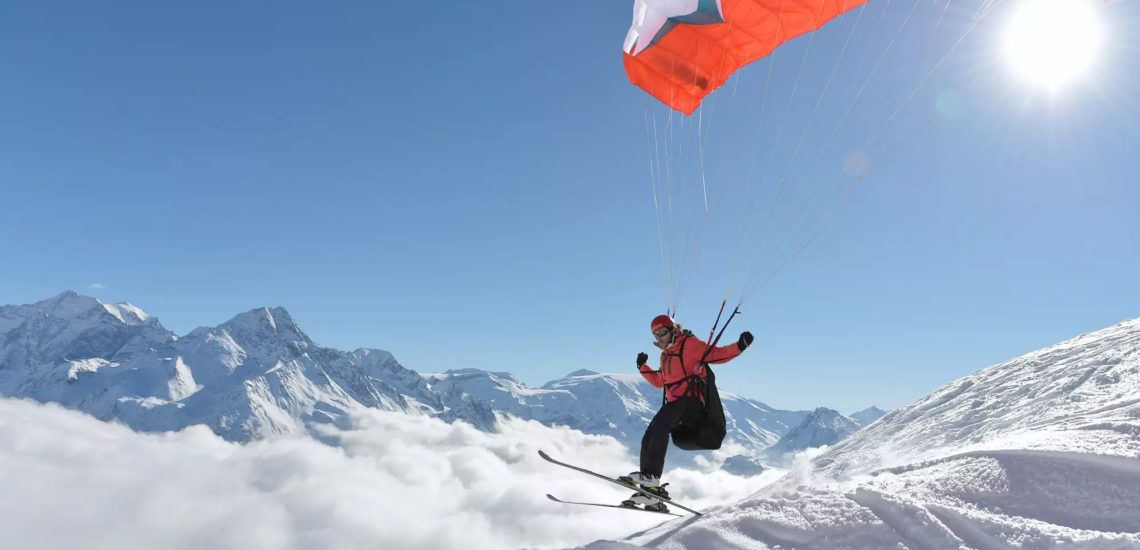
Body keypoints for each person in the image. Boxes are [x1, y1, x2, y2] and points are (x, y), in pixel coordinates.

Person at [621, 314, 753, 511]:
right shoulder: (666, 355)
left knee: (660, 426)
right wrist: (643, 367)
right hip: (676, 406)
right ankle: (649, 493)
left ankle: (651, 478)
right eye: (656, 335)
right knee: (648, 437)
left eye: (662, 333)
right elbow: (660, 382)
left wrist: (740, 346)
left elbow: (715, 355)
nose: (659, 338)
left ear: (673, 330)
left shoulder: (690, 344)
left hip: (692, 404)